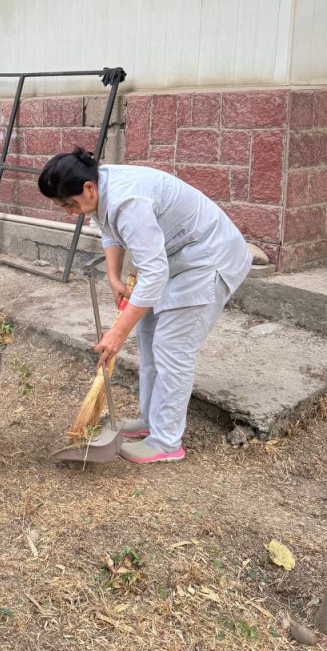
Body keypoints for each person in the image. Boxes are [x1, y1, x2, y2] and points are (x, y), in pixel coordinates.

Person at [38, 147, 252, 464]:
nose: (70, 212)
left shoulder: (127, 200)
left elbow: (153, 273)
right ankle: (152, 422)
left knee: (172, 349)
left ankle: (166, 443)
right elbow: (110, 229)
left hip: (207, 261)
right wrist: (113, 275)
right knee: (149, 340)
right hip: (176, 261)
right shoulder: (99, 187)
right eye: (62, 207)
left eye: (69, 204)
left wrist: (116, 333)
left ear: (87, 188)